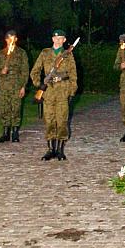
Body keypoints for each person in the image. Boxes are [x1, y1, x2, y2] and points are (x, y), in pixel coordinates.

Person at [30, 29, 77, 161]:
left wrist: (72, 90)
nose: (57, 40)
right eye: (55, 38)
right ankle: (51, 149)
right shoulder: (45, 53)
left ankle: (60, 150)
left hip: (63, 91)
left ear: (64, 40)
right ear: (52, 39)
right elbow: (35, 71)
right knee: (49, 120)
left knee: (62, 120)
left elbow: (73, 74)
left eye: (60, 38)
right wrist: (40, 85)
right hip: (48, 92)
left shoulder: (68, 55)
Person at [0, 30, 29, 143]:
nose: (10, 40)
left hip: (16, 85)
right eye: (8, 38)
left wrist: (23, 86)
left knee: (16, 108)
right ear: (5, 39)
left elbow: (25, 70)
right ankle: (5, 133)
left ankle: (15, 133)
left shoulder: (21, 53)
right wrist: (1, 71)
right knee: (5, 108)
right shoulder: (1, 53)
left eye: (13, 38)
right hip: (4, 85)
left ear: (16, 39)